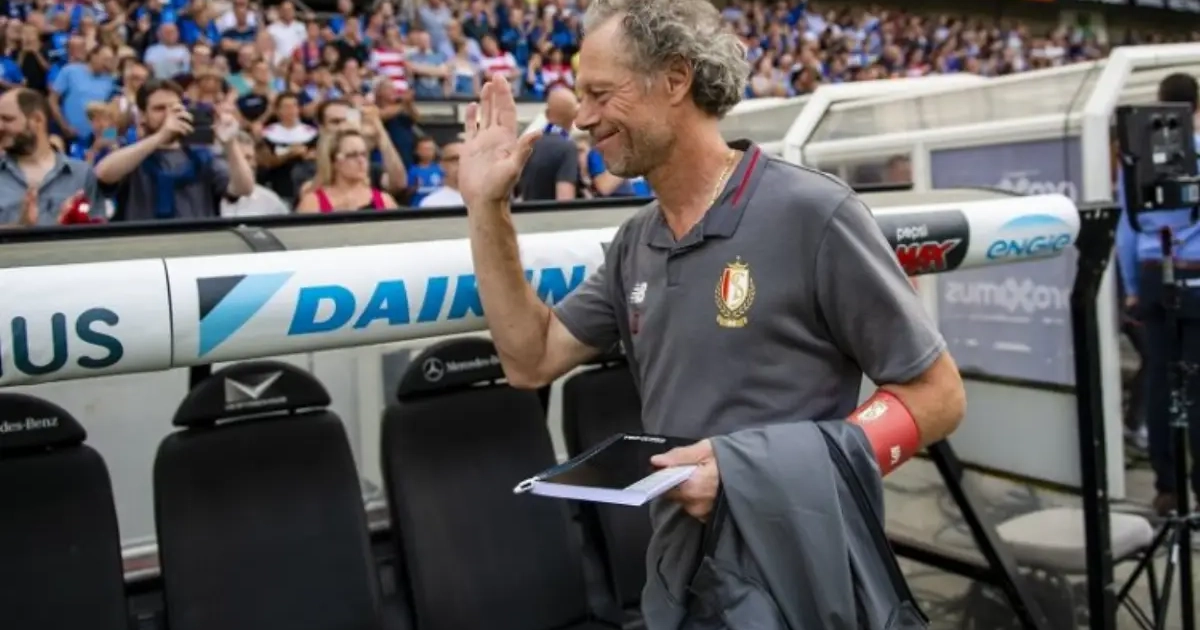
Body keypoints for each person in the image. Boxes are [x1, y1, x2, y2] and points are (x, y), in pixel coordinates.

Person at [457, 0, 965, 621]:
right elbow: (530, 358)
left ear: (675, 79)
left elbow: (937, 395)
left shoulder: (813, 214)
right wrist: (487, 207)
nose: (583, 118)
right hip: (682, 583)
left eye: (600, 94)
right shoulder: (636, 242)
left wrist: (751, 472)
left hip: (803, 581)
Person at [1116, 72, 1200, 517]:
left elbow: (1127, 229)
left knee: (1163, 381)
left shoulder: (1137, 158)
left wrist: (1132, 288)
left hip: (1152, 276)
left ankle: (1167, 490)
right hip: (1197, 278)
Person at [94, 79, 254, 220]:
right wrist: (161, 136)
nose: (168, 115)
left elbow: (244, 188)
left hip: (196, 241)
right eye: (159, 109)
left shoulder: (202, 155)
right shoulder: (131, 153)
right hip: (143, 242)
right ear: (142, 115)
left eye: (174, 108)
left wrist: (231, 143)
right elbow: (103, 173)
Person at [0, 88, 103, 226]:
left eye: (7, 119)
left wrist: (67, 225)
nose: (0, 126)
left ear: (37, 120)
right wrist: (19, 229)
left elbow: (98, 232)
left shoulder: (81, 174)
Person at [295, 128, 398, 213]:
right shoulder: (312, 203)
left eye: (364, 154)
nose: (361, 161)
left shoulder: (384, 201)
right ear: (334, 162)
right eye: (352, 155)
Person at [517, 86, 578, 201]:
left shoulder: (530, 143)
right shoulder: (567, 148)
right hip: (552, 212)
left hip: (528, 210)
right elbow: (565, 199)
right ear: (574, 116)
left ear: (547, 113)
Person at [419, 141, 463, 208]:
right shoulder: (431, 203)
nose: (461, 163)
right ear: (442, 165)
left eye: (467, 158)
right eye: (455, 159)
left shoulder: (480, 199)